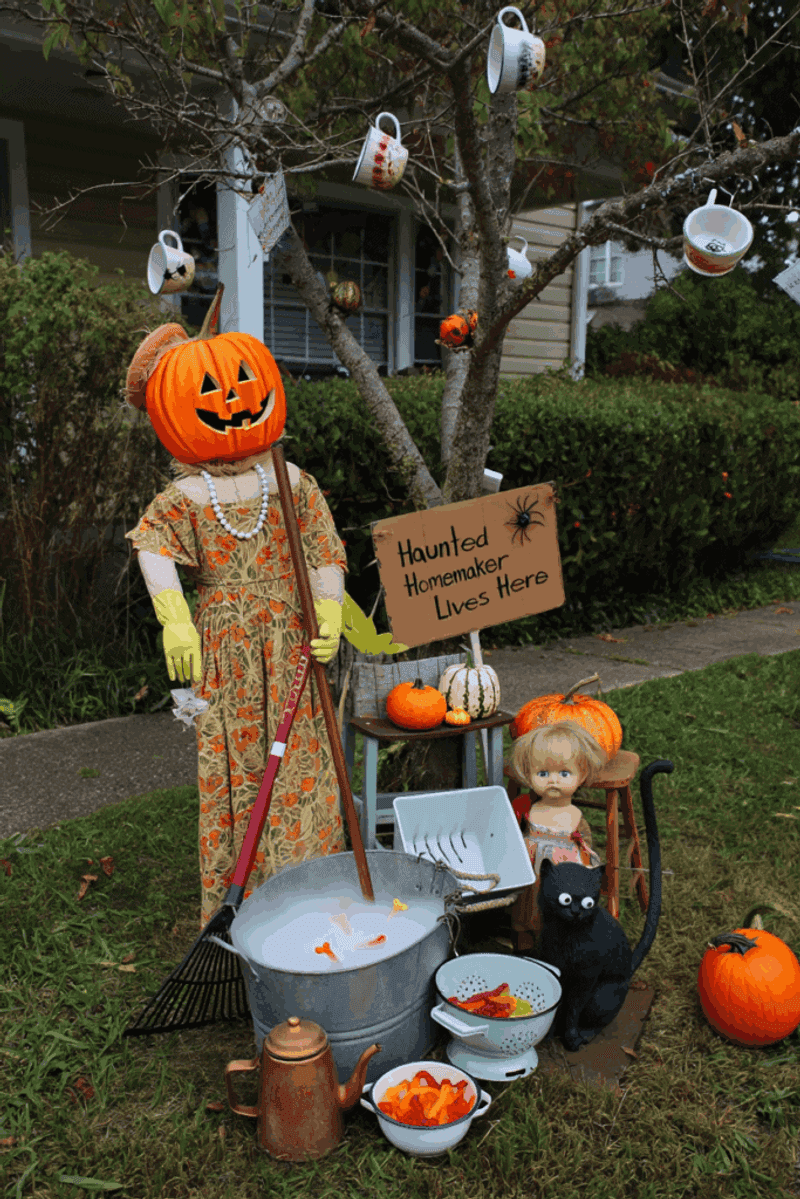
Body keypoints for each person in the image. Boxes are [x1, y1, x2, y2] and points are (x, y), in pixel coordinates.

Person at [124, 299, 348, 927]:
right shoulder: (187, 496)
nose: (230, 402)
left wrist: (327, 614)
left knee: (302, 759)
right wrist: (175, 617)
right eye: (208, 392)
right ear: (174, 410)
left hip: (292, 642)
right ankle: (245, 907)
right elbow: (153, 546)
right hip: (224, 646)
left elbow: (324, 549)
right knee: (238, 762)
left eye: (244, 385)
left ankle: (307, 892)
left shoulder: (292, 482)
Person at [508, 720, 608, 954]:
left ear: (581, 774)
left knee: (558, 913)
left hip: (561, 875)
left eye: (564, 773)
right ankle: (523, 949)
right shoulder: (529, 809)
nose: (553, 780)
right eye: (543, 773)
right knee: (525, 910)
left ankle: (556, 948)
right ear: (528, 774)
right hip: (531, 874)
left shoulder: (575, 816)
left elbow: (586, 845)